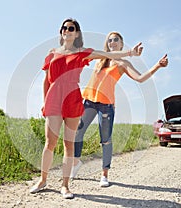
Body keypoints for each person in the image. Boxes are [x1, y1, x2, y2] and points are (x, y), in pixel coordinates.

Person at [29, 19, 143, 199]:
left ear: (76, 33)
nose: (67, 30)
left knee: (69, 144)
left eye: (71, 28)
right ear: (61, 32)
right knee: (49, 142)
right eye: (64, 28)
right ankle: (43, 180)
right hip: (54, 98)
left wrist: (130, 53)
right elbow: (46, 80)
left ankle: (65, 186)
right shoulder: (51, 53)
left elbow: (105, 54)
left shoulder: (82, 53)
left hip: (72, 98)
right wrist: (45, 101)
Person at [71, 31, 168, 187]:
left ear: (121, 44)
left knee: (106, 139)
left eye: (116, 40)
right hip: (89, 101)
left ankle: (104, 174)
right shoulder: (100, 58)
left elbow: (140, 78)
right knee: (78, 132)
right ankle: (75, 163)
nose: (112, 42)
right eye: (110, 40)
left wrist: (157, 65)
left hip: (106, 105)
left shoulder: (123, 64)